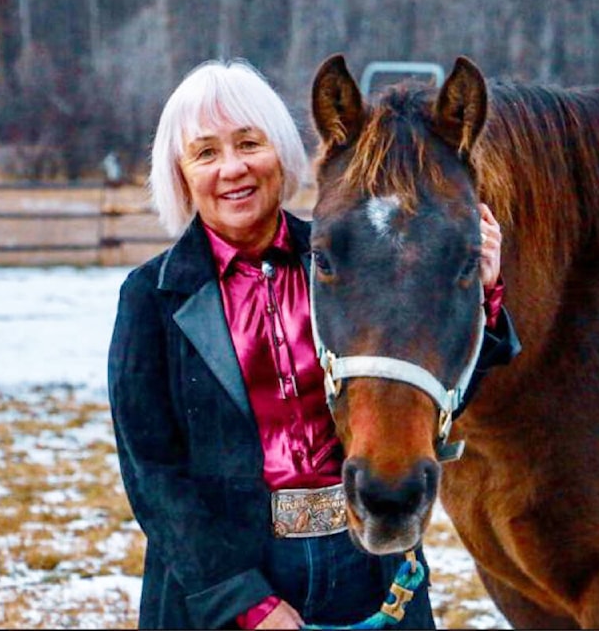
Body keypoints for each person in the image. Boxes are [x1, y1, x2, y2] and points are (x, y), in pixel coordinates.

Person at [108, 59, 520, 630]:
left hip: (361, 557)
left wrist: (485, 295)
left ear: (280, 152)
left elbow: (425, 396)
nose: (232, 168)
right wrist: (241, 600)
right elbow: (154, 476)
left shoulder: (347, 260)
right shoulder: (151, 300)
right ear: (180, 174)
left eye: (249, 143)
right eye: (206, 153)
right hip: (233, 575)